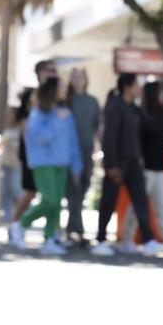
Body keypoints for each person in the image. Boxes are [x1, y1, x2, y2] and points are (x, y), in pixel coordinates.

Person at [11, 77, 82, 256]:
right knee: (49, 200)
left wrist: (76, 166)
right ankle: (20, 224)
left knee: (56, 204)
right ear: (53, 90)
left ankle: (49, 239)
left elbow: (72, 141)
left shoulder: (66, 113)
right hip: (43, 163)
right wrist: (57, 122)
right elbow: (38, 138)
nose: (65, 91)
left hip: (62, 164)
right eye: (62, 87)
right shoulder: (37, 113)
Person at [93, 72, 160, 257]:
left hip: (133, 161)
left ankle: (149, 240)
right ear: (127, 87)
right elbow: (108, 137)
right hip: (117, 162)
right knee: (108, 202)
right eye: (136, 84)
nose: (139, 88)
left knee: (141, 200)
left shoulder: (134, 108)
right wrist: (111, 164)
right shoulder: (115, 106)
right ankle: (99, 240)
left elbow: (150, 125)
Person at [122, 80, 163, 255]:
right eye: (161, 92)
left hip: (160, 169)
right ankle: (126, 239)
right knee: (137, 207)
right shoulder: (141, 114)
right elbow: (154, 126)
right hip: (145, 169)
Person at [65, 67, 100, 243]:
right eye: (75, 77)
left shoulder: (92, 101)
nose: (78, 80)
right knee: (74, 190)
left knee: (84, 187)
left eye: (81, 77)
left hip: (87, 149)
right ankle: (78, 230)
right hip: (70, 151)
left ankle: (71, 227)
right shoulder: (67, 100)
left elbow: (97, 127)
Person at [0, 106, 23, 223]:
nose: (8, 116)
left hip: (17, 164)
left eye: (11, 114)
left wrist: (12, 143)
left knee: (16, 189)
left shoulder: (21, 128)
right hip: (6, 163)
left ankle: (23, 214)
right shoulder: (7, 129)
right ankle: (7, 216)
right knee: (5, 191)